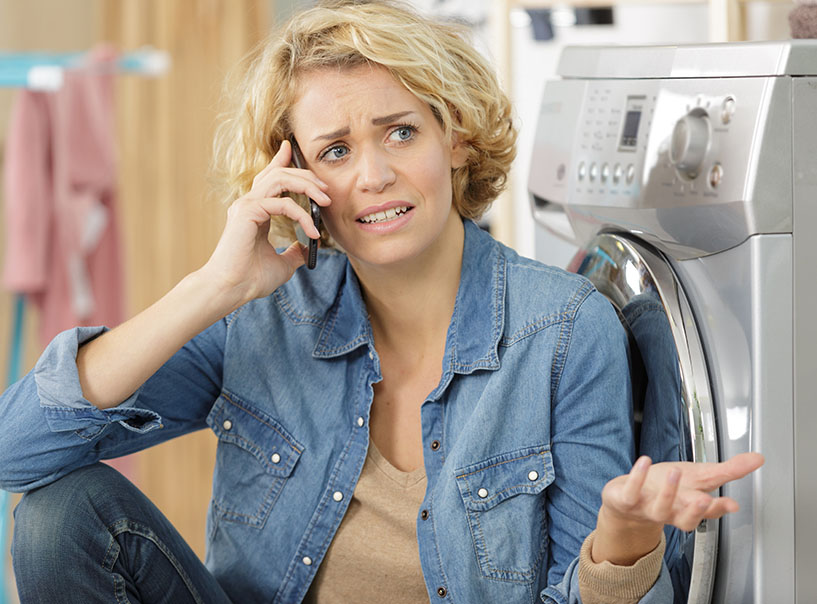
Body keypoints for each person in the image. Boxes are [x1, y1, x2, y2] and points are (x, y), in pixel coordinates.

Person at [0, 1, 763, 603]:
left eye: (399, 132)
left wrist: (621, 539)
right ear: (294, 175)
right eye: (334, 150)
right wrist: (215, 287)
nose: (372, 174)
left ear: (454, 137)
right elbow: (16, 455)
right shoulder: (263, 318)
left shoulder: (563, 330)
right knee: (55, 515)